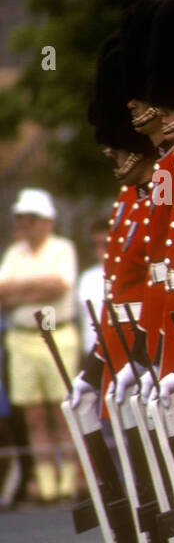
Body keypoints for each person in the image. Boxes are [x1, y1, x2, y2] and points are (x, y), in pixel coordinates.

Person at [0, 188, 80, 502]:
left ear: (46, 221)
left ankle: (70, 478)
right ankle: (45, 481)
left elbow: (59, 285)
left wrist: (17, 292)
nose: (24, 223)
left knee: (61, 411)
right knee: (32, 414)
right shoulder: (14, 253)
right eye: (21, 218)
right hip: (21, 338)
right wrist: (35, 288)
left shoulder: (63, 248)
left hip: (56, 335)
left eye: (30, 218)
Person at [76, 217, 110, 357]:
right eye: (94, 245)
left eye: (105, 244)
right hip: (90, 351)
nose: (99, 250)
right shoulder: (86, 278)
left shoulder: (129, 276)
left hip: (120, 353)